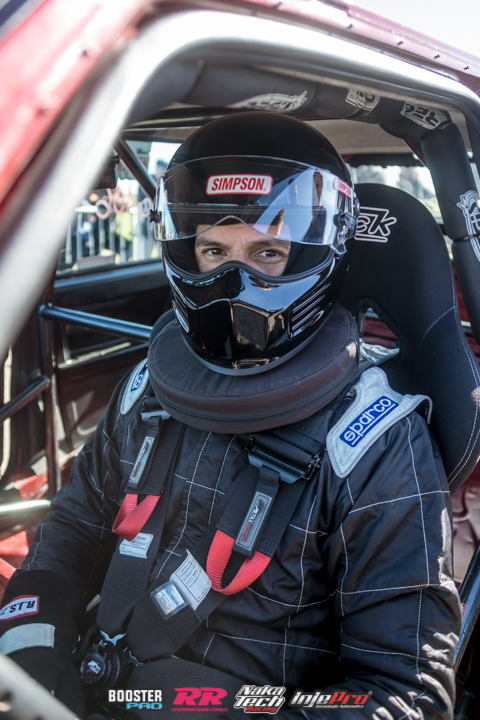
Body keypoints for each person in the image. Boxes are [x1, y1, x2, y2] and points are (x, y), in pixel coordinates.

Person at [0, 112, 460, 720]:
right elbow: (75, 523)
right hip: (90, 682)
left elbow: (404, 695)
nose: (232, 281)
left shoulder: (374, 442)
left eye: (267, 252)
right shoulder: (147, 387)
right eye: (214, 250)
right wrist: (32, 640)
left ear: (317, 253)